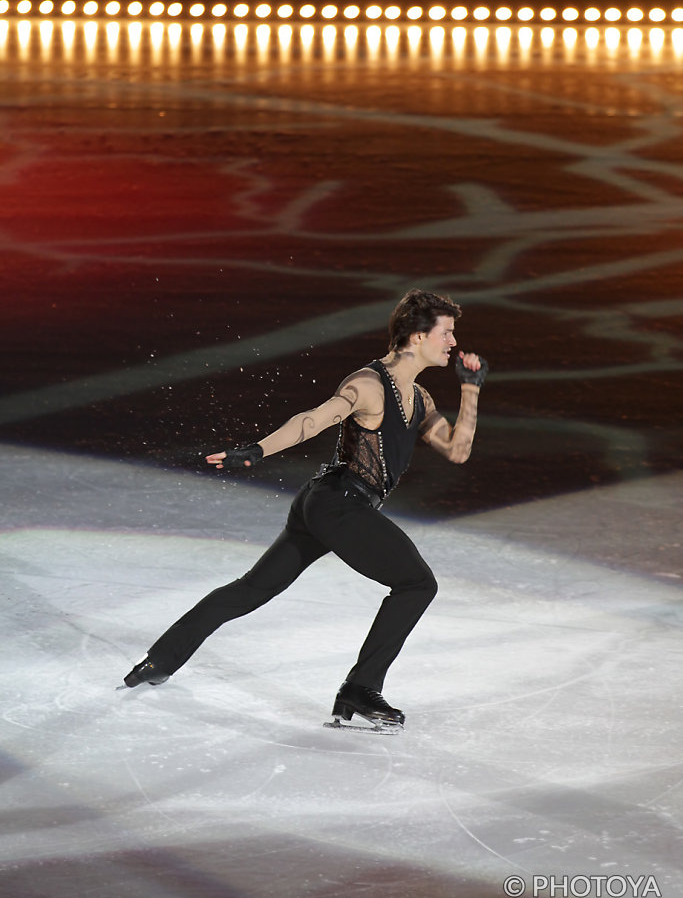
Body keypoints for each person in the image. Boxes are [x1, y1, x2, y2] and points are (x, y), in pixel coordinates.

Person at [123, 289, 487, 732]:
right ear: (416, 337)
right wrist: (256, 451)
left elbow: (457, 450)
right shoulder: (369, 385)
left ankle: (158, 661)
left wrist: (470, 388)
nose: (452, 343)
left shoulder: (421, 399)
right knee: (416, 584)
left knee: (252, 589)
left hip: (326, 502)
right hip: (341, 506)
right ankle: (360, 687)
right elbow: (313, 419)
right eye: (446, 333)